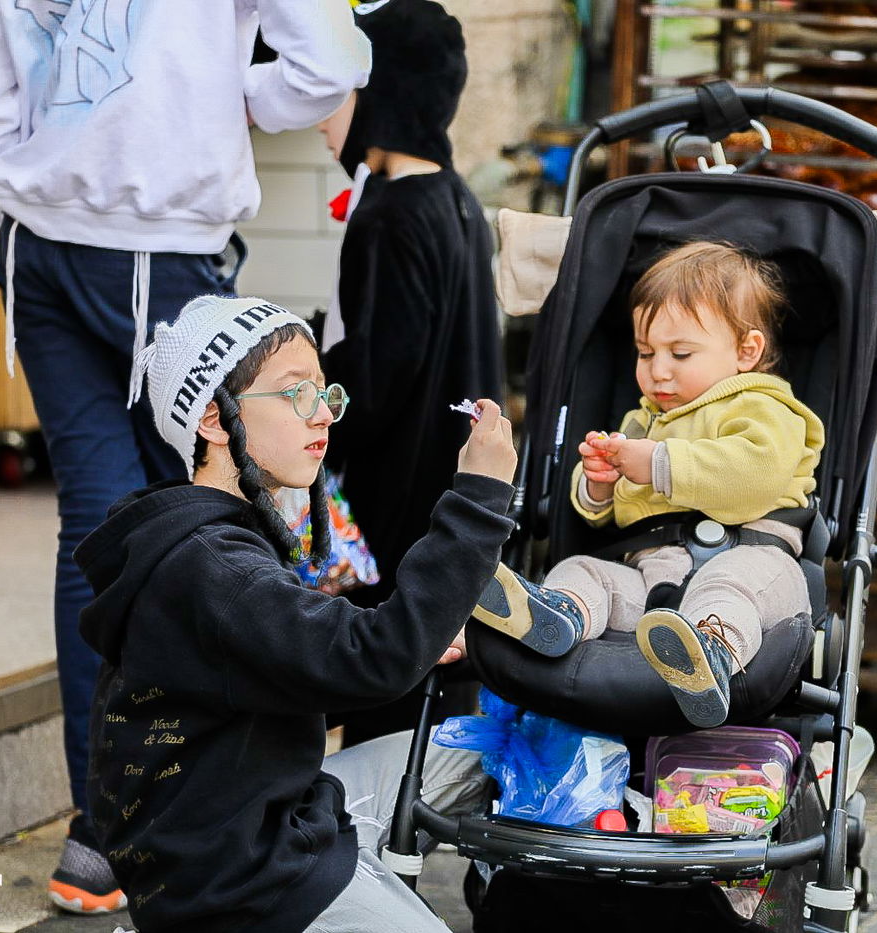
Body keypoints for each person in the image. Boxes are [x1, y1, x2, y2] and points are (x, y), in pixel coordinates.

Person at [0, 0, 370, 913]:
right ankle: (207, 820)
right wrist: (226, 96)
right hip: (163, 243)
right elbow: (329, 62)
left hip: (37, 248)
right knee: (207, 516)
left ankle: (99, 836)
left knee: (96, 529)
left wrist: (41, 191)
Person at [77, 295, 517, 933]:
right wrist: (478, 497)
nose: (324, 413)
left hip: (273, 815)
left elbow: (288, 680)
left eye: (324, 391)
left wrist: (411, 645)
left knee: (498, 756)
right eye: (295, 393)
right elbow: (371, 660)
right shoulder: (215, 567)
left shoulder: (210, 542)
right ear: (214, 419)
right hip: (245, 880)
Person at [473, 242, 826, 728]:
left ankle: (711, 656)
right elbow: (617, 512)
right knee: (584, 570)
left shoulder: (765, 407)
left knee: (728, 589)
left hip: (753, 561)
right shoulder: (644, 422)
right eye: (645, 353)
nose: (658, 370)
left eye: (680, 353)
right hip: (653, 581)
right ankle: (561, 616)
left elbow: (754, 477)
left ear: (747, 351)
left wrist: (658, 463)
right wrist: (599, 485)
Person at [316, 0, 503, 746]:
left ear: (380, 92)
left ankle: (372, 816)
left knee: (382, 684)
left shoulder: (390, 214)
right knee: (435, 693)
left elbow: (377, 376)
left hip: (393, 495)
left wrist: (311, 392)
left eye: (339, 90)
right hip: (449, 487)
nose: (320, 115)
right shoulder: (458, 201)